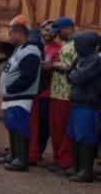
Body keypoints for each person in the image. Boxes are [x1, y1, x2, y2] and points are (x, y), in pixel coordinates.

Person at [0, 23, 42, 171]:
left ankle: (22, 160)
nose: (10, 37)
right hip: (12, 96)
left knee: (20, 128)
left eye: (11, 34)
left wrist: (10, 88)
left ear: (19, 34)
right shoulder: (20, 49)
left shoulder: (31, 51)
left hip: (20, 96)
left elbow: (28, 76)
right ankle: (14, 155)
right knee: (12, 126)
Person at [66, 31, 101, 182]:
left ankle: (86, 171)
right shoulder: (82, 58)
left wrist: (72, 73)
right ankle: (77, 167)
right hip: (77, 102)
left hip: (88, 103)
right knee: (73, 135)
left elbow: (78, 77)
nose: (75, 46)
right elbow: (70, 76)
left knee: (85, 137)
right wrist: (72, 73)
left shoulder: (95, 60)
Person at [28, 20, 60, 167]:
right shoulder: (34, 47)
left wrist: (50, 67)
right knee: (30, 123)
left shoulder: (58, 49)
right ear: (41, 30)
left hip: (47, 92)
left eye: (52, 30)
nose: (48, 33)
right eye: (46, 30)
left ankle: (38, 151)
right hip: (32, 91)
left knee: (43, 124)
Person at [47, 17, 77, 173]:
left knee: (63, 127)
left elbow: (74, 67)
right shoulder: (66, 43)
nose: (57, 35)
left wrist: (53, 66)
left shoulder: (77, 45)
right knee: (56, 127)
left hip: (66, 92)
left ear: (67, 28)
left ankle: (65, 160)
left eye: (59, 31)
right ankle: (58, 157)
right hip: (57, 91)